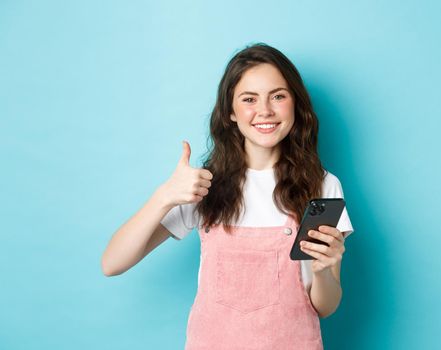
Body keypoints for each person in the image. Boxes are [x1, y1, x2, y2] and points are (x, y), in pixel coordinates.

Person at [101, 43, 354, 349]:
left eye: (278, 96)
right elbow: (112, 263)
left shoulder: (322, 186)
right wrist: (164, 196)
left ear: (296, 105)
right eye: (249, 99)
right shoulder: (202, 186)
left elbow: (325, 307)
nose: (265, 110)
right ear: (231, 112)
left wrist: (322, 269)